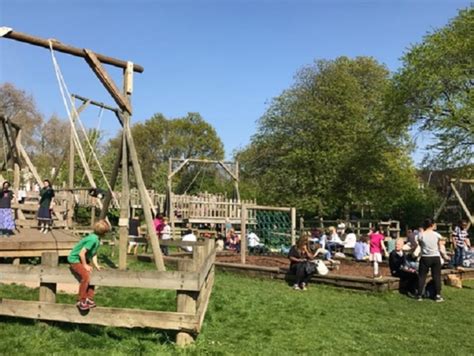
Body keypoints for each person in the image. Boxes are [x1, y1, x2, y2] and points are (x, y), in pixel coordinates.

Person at [68, 219, 110, 311]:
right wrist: (85, 265)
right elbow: (81, 253)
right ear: (104, 233)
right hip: (75, 259)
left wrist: (96, 265)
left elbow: (94, 253)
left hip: (83, 259)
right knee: (86, 277)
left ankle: (89, 298)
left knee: (92, 275)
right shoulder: (92, 239)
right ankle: (81, 300)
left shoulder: (97, 239)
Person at [417, 219, 444, 302]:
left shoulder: (421, 235)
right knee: (436, 276)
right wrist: (445, 256)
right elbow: (440, 246)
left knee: (422, 276)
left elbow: (420, 245)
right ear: (431, 225)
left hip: (425, 257)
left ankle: (419, 295)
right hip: (435, 257)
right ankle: (438, 295)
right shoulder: (437, 235)